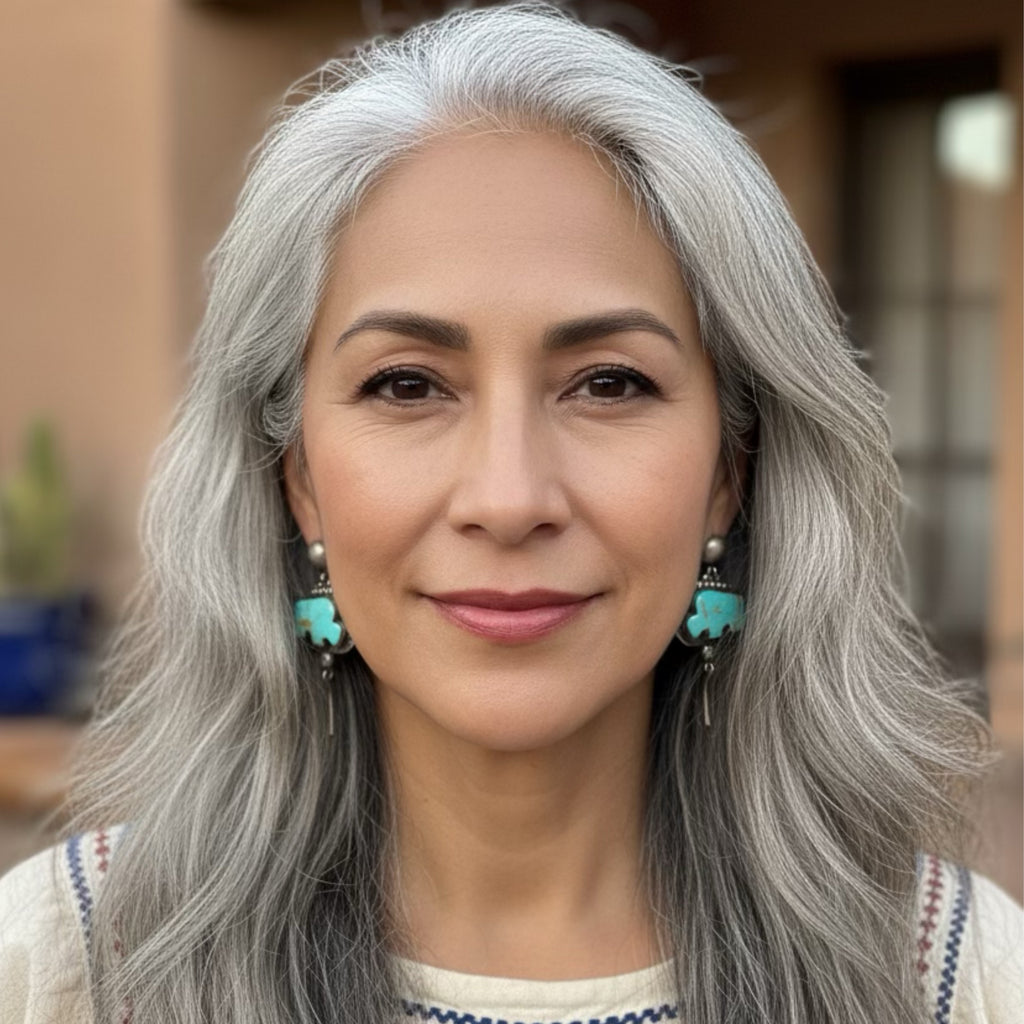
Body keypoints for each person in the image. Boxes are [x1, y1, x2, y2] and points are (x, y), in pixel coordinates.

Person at [0, 3, 1020, 1022]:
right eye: (407, 386)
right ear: (295, 475)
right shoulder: (71, 966)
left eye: (609, 384)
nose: (508, 497)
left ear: (729, 470)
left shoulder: (950, 977)